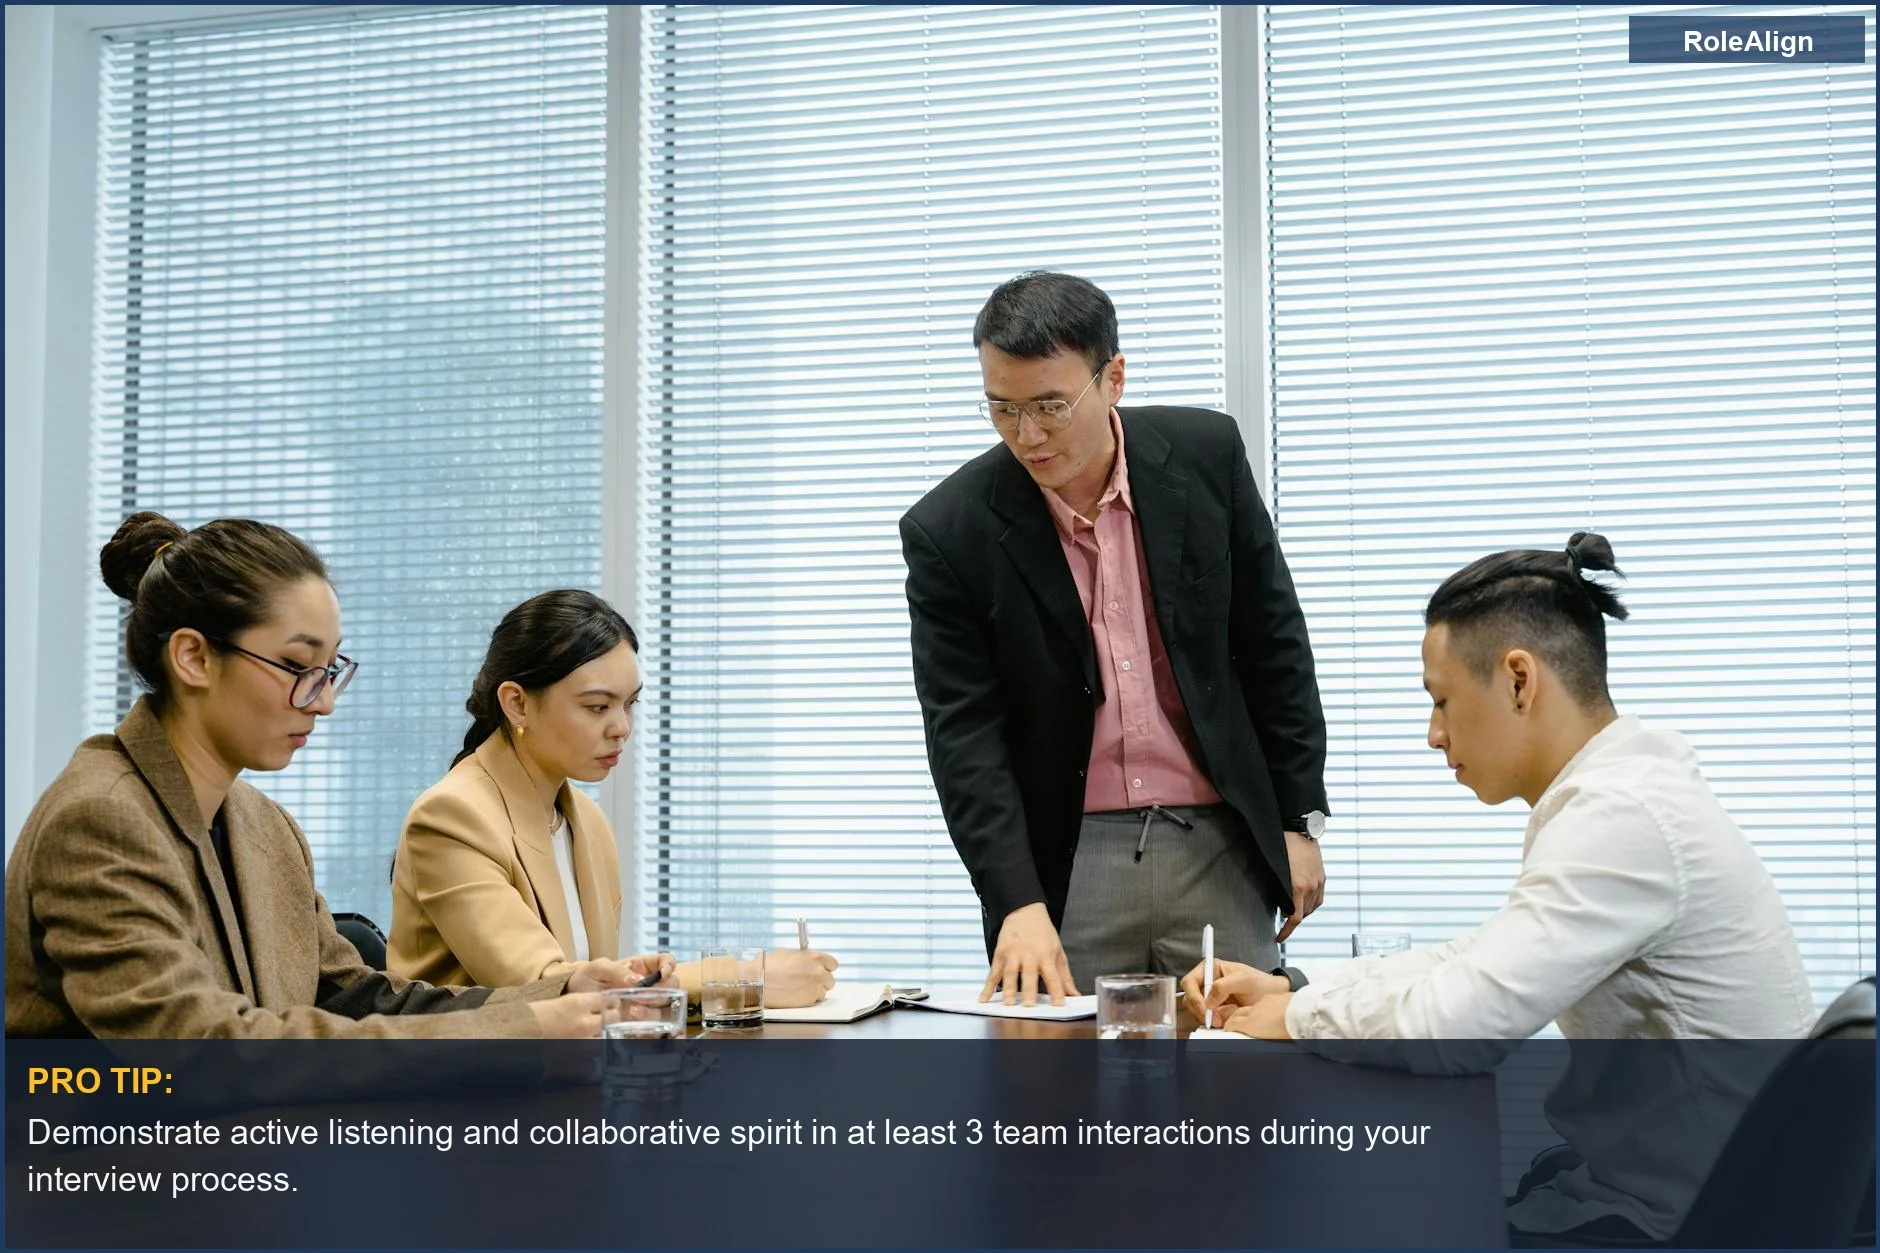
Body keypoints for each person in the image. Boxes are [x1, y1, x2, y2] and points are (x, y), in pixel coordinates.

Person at [1183, 533, 1816, 1239]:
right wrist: (1300, 994)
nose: (1432, 733)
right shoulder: (1620, 791)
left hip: (1693, 1224)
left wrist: (1296, 1022)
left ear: (1519, 679)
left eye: (1443, 699)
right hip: (1676, 1189)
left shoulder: (1621, 817)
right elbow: (1478, 957)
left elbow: (1461, 1025)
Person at [6, 513, 659, 1040]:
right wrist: (521, 1026)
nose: (323, 700)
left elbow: (353, 994)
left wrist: (558, 992)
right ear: (194, 657)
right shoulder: (102, 818)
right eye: (297, 667)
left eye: (329, 670)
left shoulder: (264, 824)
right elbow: (208, 1048)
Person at [901, 271, 1329, 1004]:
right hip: (1069, 854)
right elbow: (963, 734)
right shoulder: (950, 530)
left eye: (1050, 406)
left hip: (1219, 836)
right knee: (1060, 1101)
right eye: (1001, 408)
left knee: (1240, 1084)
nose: (1026, 435)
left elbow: (1273, 642)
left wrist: (1298, 818)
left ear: (1114, 378)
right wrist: (1015, 900)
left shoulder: (1205, 455)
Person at [387, 589, 839, 1008]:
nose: (622, 727)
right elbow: (549, 988)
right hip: (468, 1083)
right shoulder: (452, 816)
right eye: (598, 707)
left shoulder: (586, 819)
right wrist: (743, 976)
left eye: (630, 704)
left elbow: (597, 994)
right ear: (517, 704)